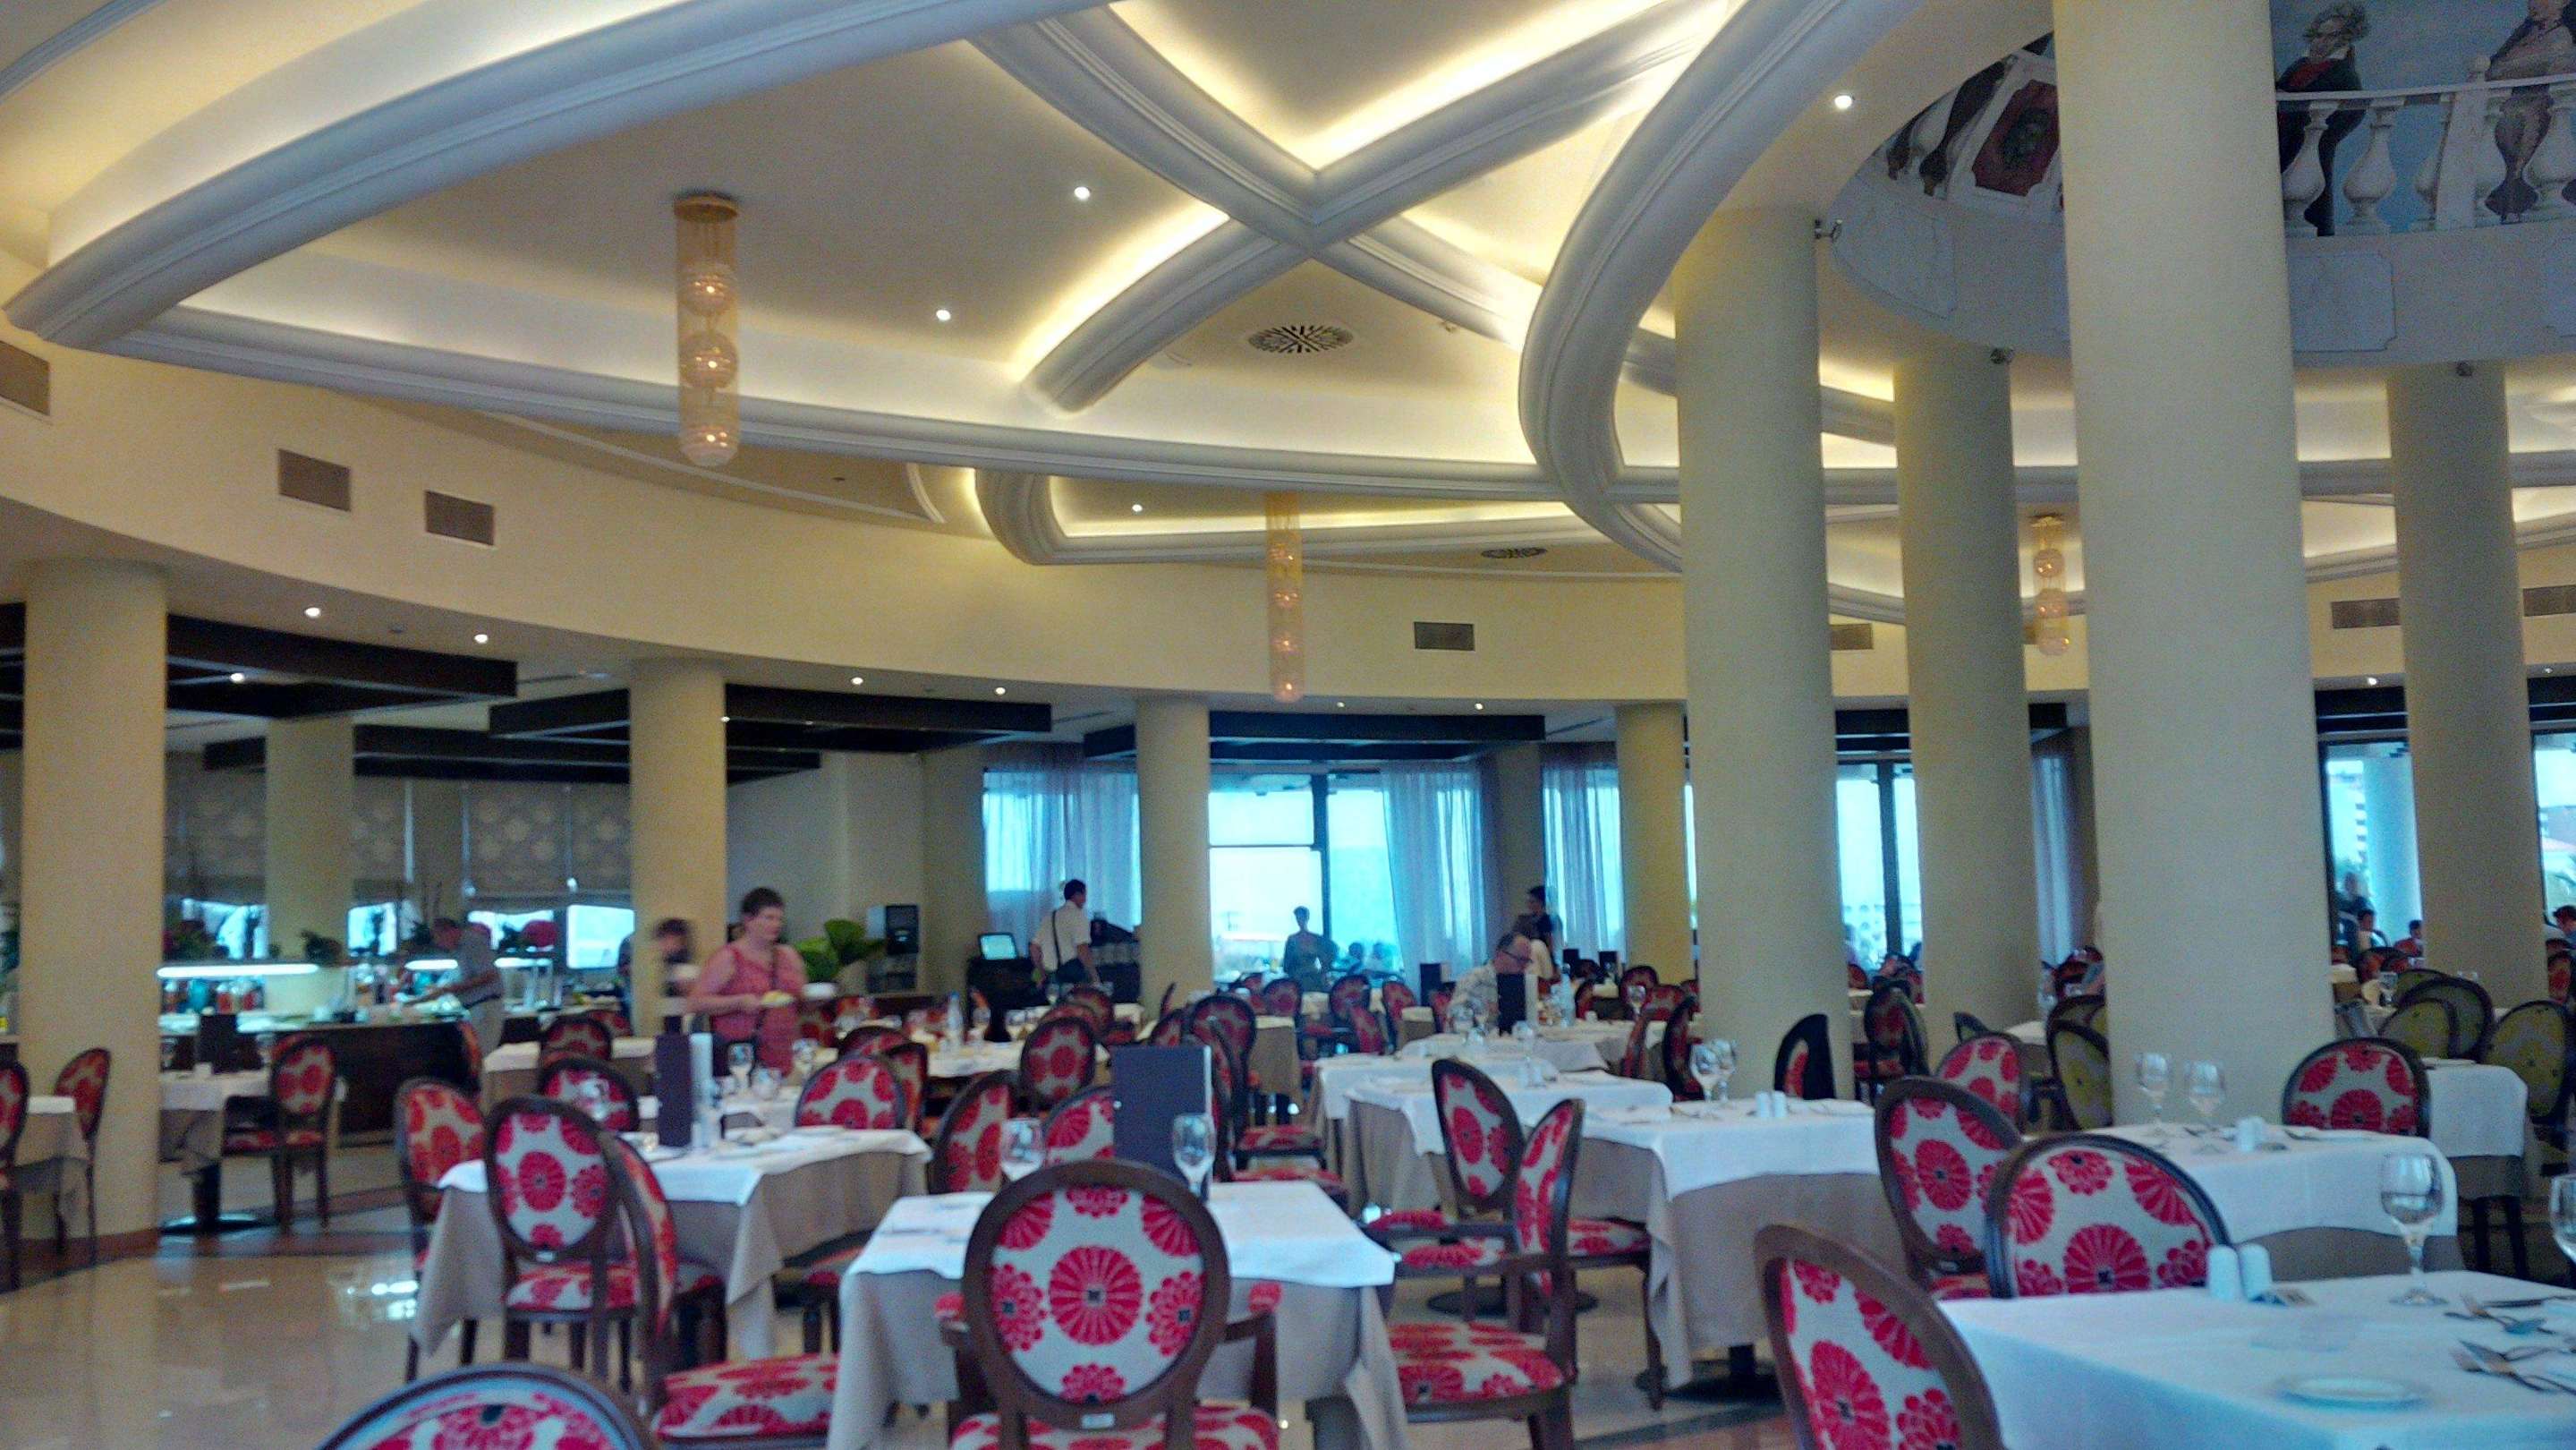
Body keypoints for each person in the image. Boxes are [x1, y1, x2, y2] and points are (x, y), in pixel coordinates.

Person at [686, 888, 807, 1071]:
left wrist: (813, 1000)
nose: (776, 924)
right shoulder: (729, 957)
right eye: (769, 918)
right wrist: (739, 1002)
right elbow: (695, 1003)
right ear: (748, 920)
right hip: (744, 1056)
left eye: (779, 919)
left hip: (787, 1054)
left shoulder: (789, 956)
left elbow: (800, 1003)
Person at [2275, 2, 2368, 235]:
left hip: (2311, 144)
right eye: (2319, 35)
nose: (2322, 42)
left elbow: (2354, 111)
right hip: (2283, 141)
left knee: (2312, 204)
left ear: (2344, 39)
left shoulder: (2344, 73)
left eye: (2331, 36)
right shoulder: (2300, 65)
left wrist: (2322, 136)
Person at [430, 917, 506, 1062]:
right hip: (475, 1009)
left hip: (485, 1008)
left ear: (449, 931)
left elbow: (489, 974)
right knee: (474, 1057)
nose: (438, 943)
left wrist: (457, 988)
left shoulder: (474, 943)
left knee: (482, 1057)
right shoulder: (460, 948)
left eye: (438, 937)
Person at [1033, 878, 1098, 989]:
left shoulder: (1049, 917)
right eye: (1084, 895)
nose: (1085, 900)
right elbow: (1082, 948)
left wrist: (1041, 972)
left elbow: (1034, 948)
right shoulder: (1078, 916)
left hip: (1050, 977)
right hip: (1072, 977)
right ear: (1077, 895)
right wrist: (1094, 976)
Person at [1279, 907, 1335, 992]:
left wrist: (1324, 973)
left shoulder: (1316, 938)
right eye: (1297, 918)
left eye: (1301, 917)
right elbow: (1287, 964)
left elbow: (1327, 957)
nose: (1299, 920)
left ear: (1307, 918)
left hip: (1314, 978)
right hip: (1297, 979)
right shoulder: (1292, 939)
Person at [1509, 886, 1559, 955]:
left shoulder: (1547, 920)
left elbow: (1551, 946)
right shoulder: (1524, 920)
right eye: (1528, 901)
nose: (1528, 904)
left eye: (1532, 902)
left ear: (1541, 903)